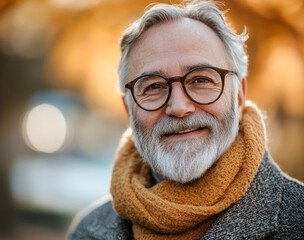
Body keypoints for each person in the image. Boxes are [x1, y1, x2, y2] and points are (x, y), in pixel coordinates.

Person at [67, 0, 304, 239]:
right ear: (128, 110)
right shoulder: (87, 231)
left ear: (239, 95)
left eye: (201, 80)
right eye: (154, 86)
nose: (179, 107)